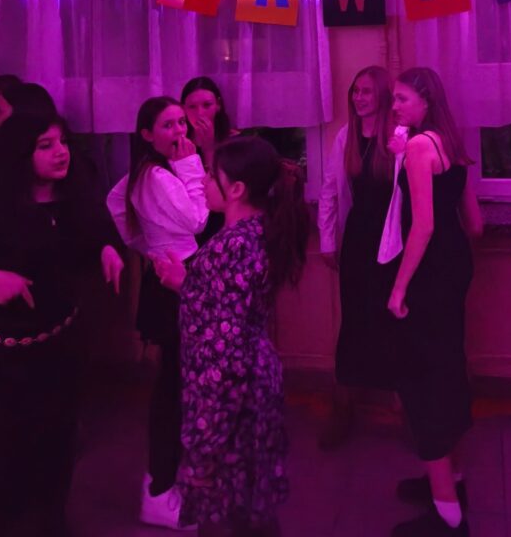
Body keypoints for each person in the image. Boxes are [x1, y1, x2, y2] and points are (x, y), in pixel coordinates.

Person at [154, 135, 309, 537]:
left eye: (211, 175)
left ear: (237, 189)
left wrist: (205, 445)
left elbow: (225, 353)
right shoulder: (256, 231)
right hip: (254, 384)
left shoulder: (232, 247)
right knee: (250, 505)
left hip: (232, 399)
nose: (204, 182)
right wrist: (187, 283)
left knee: (227, 513)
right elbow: (228, 307)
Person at [0, 112, 124, 537]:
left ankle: (50, 523)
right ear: (20, 153)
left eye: (62, 143)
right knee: (1, 451)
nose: (61, 153)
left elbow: (97, 230)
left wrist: (106, 248)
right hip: (2, 358)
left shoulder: (74, 196)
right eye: (46, 145)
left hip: (61, 346)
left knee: (58, 444)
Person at [386, 67, 483, 537]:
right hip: (454, 264)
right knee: (447, 368)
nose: (394, 107)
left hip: (428, 271)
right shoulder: (451, 143)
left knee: (423, 381)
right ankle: (451, 481)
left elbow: (421, 225)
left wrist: (399, 287)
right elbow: (475, 224)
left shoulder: (421, 147)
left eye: (402, 99)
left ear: (425, 101)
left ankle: (447, 517)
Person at [106, 96, 209, 531]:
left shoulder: (143, 173)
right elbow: (198, 220)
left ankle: (166, 482)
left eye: (182, 123)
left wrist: (146, 246)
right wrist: (192, 167)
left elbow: (115, 203)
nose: (180, 131)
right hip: (176, 281)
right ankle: (159, 489)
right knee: (173, 387)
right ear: (147, 134)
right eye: (168, 125)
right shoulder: (162, 175)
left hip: (166, 275)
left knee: (176, 381)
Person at [317, 65, 399, 448]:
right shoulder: (346, 136)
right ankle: (343, 406)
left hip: (392, 242)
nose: (359, 98)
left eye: (367, 91)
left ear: (383, 94)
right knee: (353, 321)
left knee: (394, 321)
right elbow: (330, 190)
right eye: (355, 91)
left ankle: (404, 405)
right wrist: (327, 240)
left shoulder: (397, 137)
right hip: (358, 240)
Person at [181, 77, 240, 240]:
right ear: (183, 109)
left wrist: (208, 147)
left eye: (207, 105)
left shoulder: (234, 142)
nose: (200, 113)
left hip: (221, 216)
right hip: (189, 217)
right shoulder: (181, 144)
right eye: (192, 107)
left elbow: (225, 189)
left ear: (218, 105)